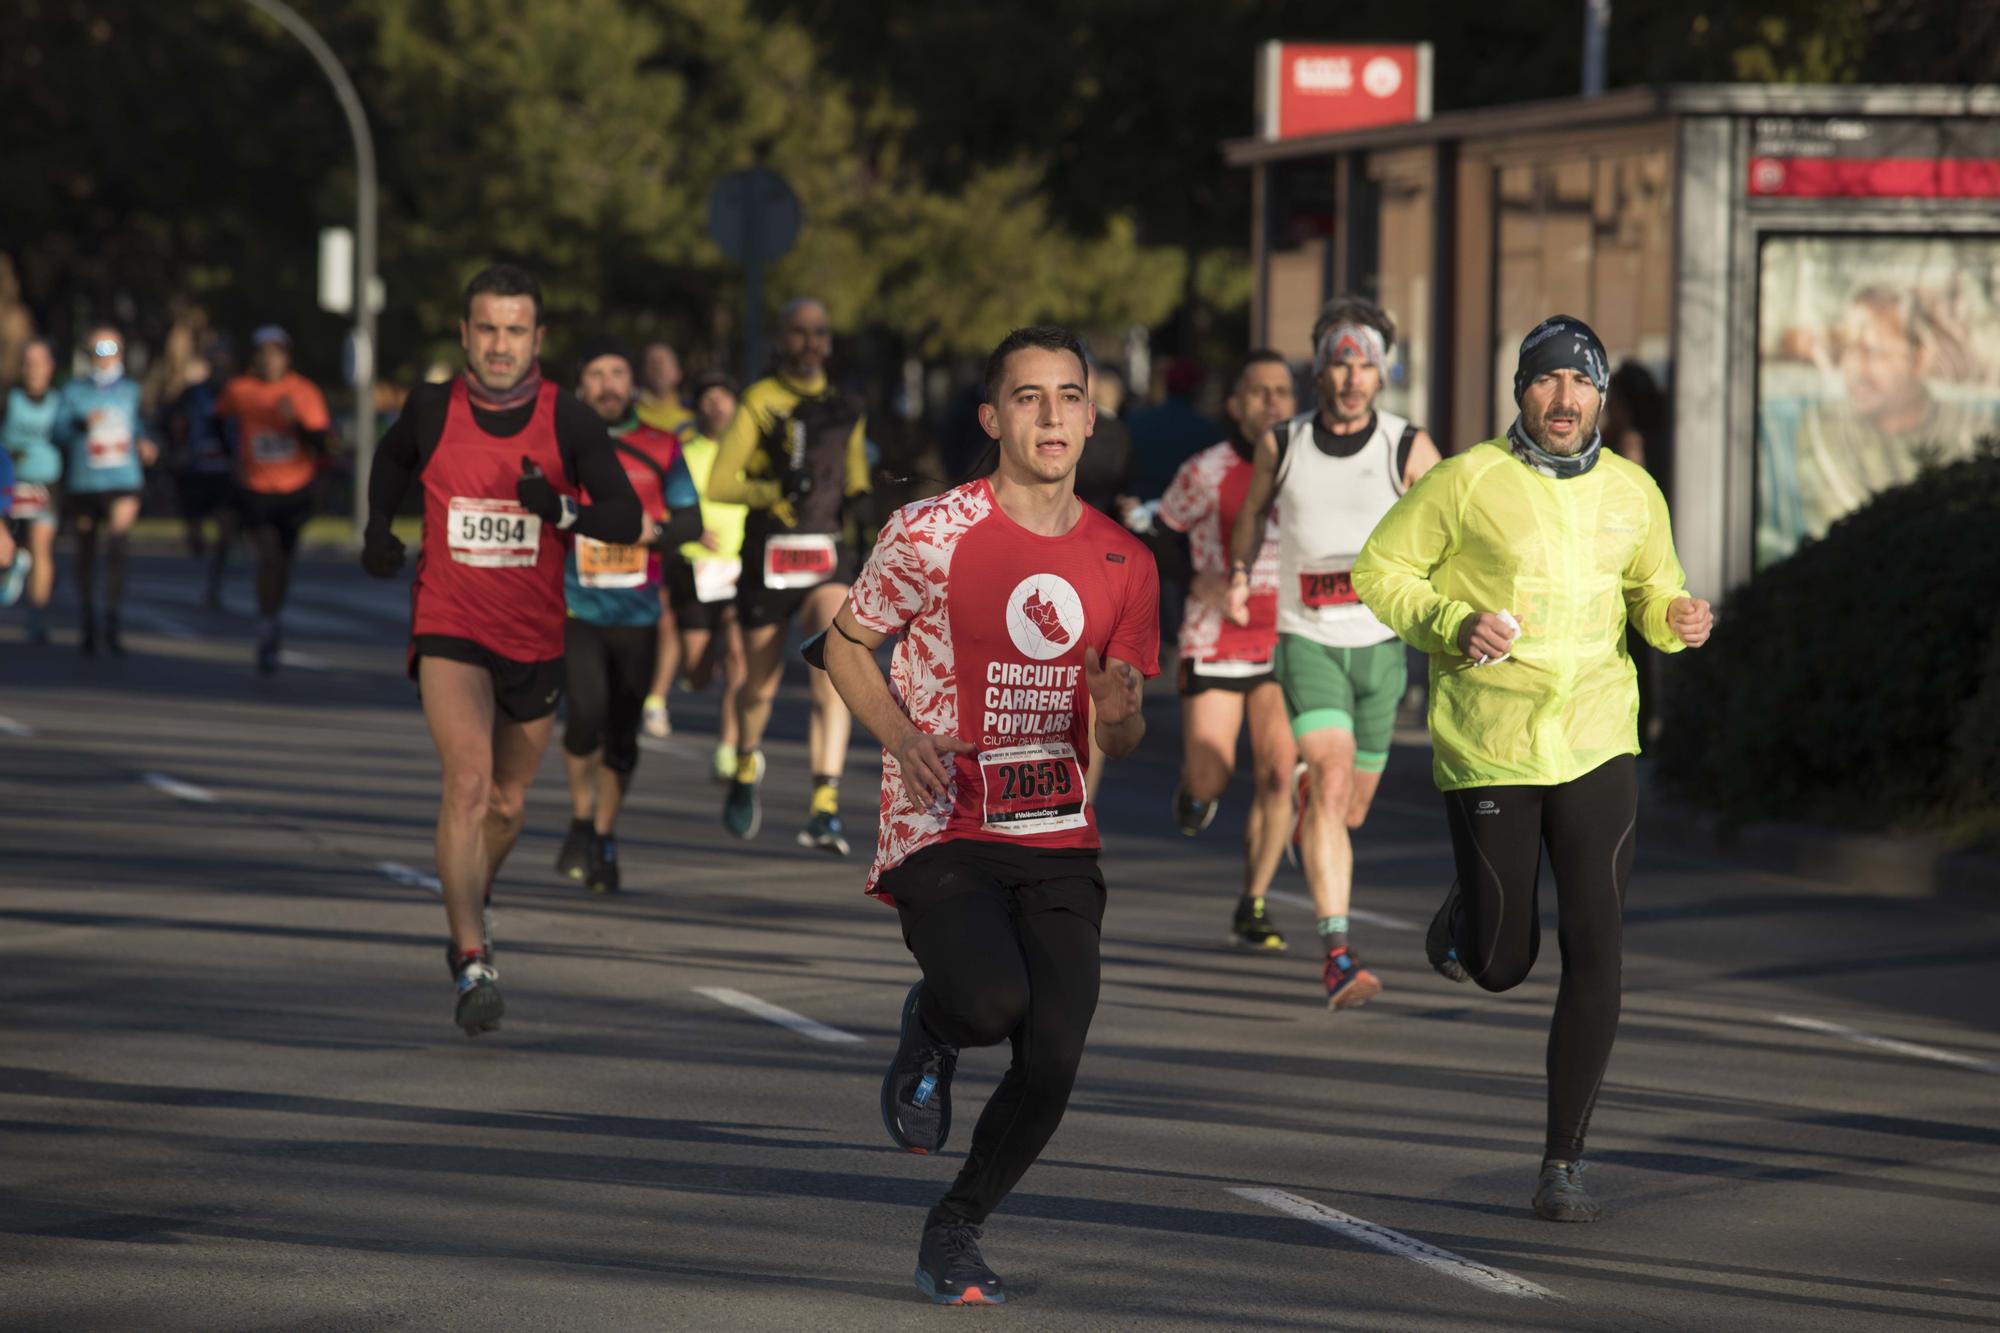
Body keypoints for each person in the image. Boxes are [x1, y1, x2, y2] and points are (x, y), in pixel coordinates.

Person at [814, 324, 1158, 1306]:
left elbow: (1120, 734)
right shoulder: (928, 532)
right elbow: (842, 645)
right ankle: (928, 1023)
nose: (1049, 415)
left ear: (1091, 418)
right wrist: (898, 735)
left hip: (1055, 833)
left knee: (1052, 1054)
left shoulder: (1122, 561)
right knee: (987, 1003)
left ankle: (955, 1225)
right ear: (992, 417)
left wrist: (1122, 716)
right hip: (942, 823)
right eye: (1026, 397)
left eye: (1066, 397)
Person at [1353, 313, 1712, 1223]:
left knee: (1599, 947)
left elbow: (1651, 587)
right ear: (1522, 392)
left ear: (1599, 395)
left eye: (1581, 382)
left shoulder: (1634, 489)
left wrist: (1676, 615)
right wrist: (1449, 623)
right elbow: (1380, 569)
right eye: (1547, 382)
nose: (1564, 399)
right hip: (1492, 740)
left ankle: (1563, 1161)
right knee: (1503, 962)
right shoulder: (1468, 480)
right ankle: (1470, 912)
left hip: (1597, 736)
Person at [359, 264, 641, 1036]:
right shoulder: (429, 408)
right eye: (486, 328)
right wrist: (379, 529)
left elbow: (621, 513)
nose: (499, 344)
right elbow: (389, 462)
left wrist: (562, 508)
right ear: (464, 334)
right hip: (449, 622)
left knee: (510, 804)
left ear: (539, 339)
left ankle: (471, 894)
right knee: (471, 783)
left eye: (515, 330)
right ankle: (470, 953)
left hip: (534, 638)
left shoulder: (569, 420)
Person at [1226, 295, 1440, 1008]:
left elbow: (1452, 528)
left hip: (1380, 649)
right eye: (1340, 364)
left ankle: (1320, 801)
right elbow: (1254, 512)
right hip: (1306, 638)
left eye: (1366, 366)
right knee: (1332, 770)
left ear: (1384, 374)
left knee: (1349, 808)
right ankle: (1338, 952)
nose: (1352, 378)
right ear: (1319, 371)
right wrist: (1236, 577)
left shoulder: (1408, 447)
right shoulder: (1283, 444)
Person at [705, 297, 870, 854]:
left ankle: (825, 804)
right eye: (799, 332)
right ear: (783, 338)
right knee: (761, 685)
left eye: (819, 333)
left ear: (829, 341)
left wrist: (872, 508)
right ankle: (747, 761)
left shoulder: (846, 406)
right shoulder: (760, 401)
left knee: (835, 665)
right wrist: (774, 489)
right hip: (769, 557)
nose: (810, 343)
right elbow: (720, 484)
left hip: (827, 558)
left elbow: (855, 480)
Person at [1149, 349, 1298, 949]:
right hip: (1215, 638)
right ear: (1235, 406)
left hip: (1287, 637)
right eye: (1258, 392)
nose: (1271, 403)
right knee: (1214, 776)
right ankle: (1196, 790)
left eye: (1282, 392)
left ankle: (1254, 901)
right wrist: (1200, 581)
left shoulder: (1307, 465)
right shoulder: (1205, 469)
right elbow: (1159, 535)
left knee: (1279, 774)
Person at [554, 336, 702, 893]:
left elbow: (690, 520)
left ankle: (605, 833)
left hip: (638, 615)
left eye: (618, 373)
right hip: (577, 606)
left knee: (621, 734)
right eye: (597, 374)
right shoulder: (560, 445)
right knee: (585, 714)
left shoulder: (661, 445)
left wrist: (652, 532)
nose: (608, 384)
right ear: (580, 386)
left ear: (632, 384)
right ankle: (579, 818)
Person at [649, 370, 752, 782]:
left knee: (738, 657)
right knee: (698, 668)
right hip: (694, 564)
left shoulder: (749, 453)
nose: (718, 406)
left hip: (740, 567)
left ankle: (729, 747)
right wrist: (689, 529)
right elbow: (665, 501)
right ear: (698, 407)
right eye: (709, 399)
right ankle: (690, 676)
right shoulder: (684, 452)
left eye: (725, 397)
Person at [215, 325, 333, 672]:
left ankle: (274, 614)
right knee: (267, 557)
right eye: (263, 353)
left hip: (295, 488)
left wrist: (294, 422)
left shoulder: (303, 392)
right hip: (255, 488)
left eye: (276, 353)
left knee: (283, 561)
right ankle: (267, 624)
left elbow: (322, 443)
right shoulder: (240, 390)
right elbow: (217, 422)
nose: (269, 360)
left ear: (287, 357)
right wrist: (230, 458)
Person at [53, 324, 158, 656]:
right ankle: (87, 616)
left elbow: (142, 426)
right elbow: (57, 432)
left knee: (117, 546)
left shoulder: (132, 390)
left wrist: (145, 442)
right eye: (98, 351)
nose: (105, 357)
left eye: (111, 350)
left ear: (121, 353)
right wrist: (82, 424)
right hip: (86, 481)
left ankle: (112, 617)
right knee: (85, 551)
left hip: (123, 479)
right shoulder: (73, 392)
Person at [161, 335, 239, 609]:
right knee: (196, 537)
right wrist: (175, 448)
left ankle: (214, 585)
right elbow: (170, 420)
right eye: (214, 357)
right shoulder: (192, 394)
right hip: (195, 470)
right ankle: (199, 551)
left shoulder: (238, 391)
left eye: (224, 357)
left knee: (226, 529)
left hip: (226, 472)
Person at [2, 338, 64, 639]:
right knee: (10, 548)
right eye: (28, 363)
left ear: (50, 367)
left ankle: (37, 615)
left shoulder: (60, 403)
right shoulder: (8, 399)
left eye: (39, 363)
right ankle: (13, 567)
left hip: (46, 485)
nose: (33, 370)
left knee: (41, 547)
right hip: (10, 484)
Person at [636, 341, 693, 436]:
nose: (658, 367)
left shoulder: (695, 414)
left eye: (663, 361)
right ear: (642, 373)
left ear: (678, 373)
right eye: (652, 361)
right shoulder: (631, 416)